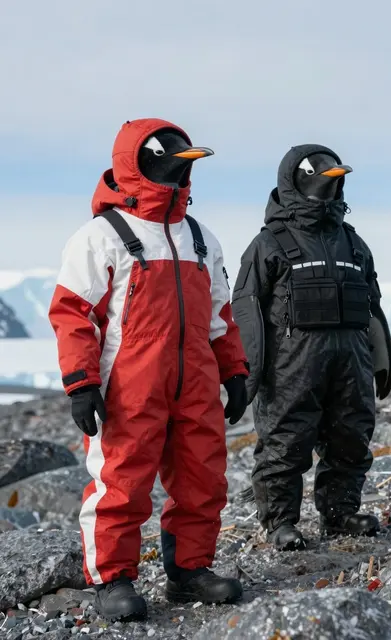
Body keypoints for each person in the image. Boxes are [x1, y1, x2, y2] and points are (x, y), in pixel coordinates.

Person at [48, 118, 248, 622]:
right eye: (174, 163)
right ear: (139, 162)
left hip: (196, 382)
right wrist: (81, 382)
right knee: (121, 479)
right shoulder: (101, 237)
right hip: (130, 385)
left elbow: (221, 315)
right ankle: (113, 578)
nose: (182, 174)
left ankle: (190, 570)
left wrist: (235, 372)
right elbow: (72, 312)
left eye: (187, 166)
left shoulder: (201, 238)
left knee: (203, 477)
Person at [231, 144, 391, 551]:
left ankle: (340, 513)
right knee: (285, 441)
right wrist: (248, 373)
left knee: (351, 435)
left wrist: (382, 358)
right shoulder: (269, 243)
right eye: (325, 178)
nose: (332, 186)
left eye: (336, 180)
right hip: (291, 365)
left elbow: (371, 303)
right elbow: (246, 308)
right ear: (296, 180)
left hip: (351, 361)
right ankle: (281, 522)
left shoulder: (353, 242)